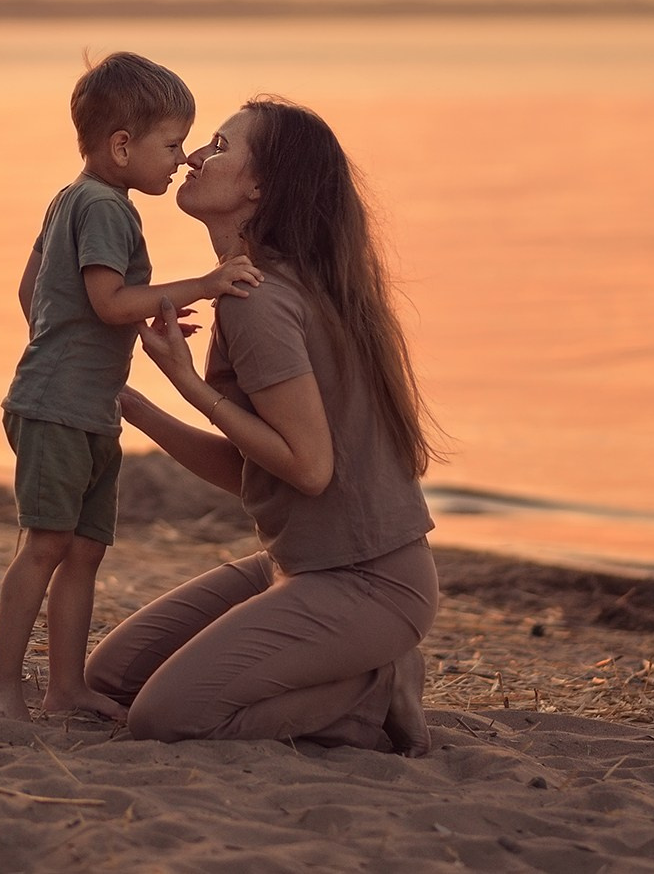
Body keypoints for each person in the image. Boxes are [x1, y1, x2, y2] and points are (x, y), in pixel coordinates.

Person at [86, 97, 444, 754]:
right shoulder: (267, 287)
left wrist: (189, 384)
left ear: (260, 186)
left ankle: (375, 687)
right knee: (110, 678)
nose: (194, 155)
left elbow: (309, 468)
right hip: (297, 565)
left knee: (162, 718)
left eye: (220, 146)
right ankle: (355, 670)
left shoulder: (260, 303)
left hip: (369, 580)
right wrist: (131, 404)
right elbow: (260, 467)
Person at [0, 53, 265, 721]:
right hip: (57, 407)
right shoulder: (106, 208)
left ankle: (66, 688)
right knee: (46, 545)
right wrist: (202, 284)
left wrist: (99, 332)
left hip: (84, 405)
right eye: (173, 145)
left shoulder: (73, 198)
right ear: (123, 145)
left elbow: (35, 289)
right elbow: (107, 300)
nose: (182, 159)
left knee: (85, 549)